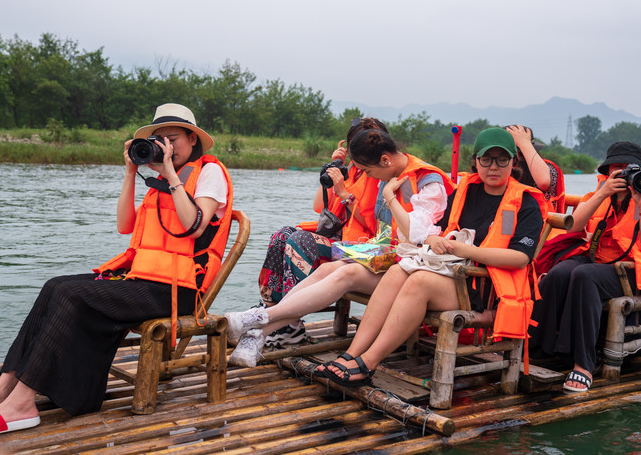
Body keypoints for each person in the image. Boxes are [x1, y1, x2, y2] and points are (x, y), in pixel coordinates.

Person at [0, 103, 232, 434]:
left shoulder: (210, 173)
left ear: (192, 139)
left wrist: (171, 175)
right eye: (158, 139)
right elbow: (124, 226)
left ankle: (22, 403)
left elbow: (192, 226)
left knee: (71, 294)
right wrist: (131, 171)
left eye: (172, 138)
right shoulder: (159, 179)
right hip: (143, 279)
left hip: (179, 290)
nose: (165, 146)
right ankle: (0, 394)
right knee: (55, 286)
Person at [319, 127, 546, 386]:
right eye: (486, 159)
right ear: (475, 161)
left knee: (418, 282)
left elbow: (520, 258)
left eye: (501, 159)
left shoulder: (525, 203)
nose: (493, 167)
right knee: (397, 270)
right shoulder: (464, 192)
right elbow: (433, 230)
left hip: (487, 288)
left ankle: (368, 363)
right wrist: (433, 240)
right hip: (451, 272)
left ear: (514, 162)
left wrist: (464, 250)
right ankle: (352, 353)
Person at [224, 128, 456, 367]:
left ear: (385, 160)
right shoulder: (389, 175)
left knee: (346, 273)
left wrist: (389, 197)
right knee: (327, 270)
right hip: (390, 258)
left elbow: (418, 232)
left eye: (368, 171)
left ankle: (258, 318)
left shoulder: (428, 181)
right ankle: (258, 332)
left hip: (414, 267)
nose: (370, 177)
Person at [528, 141, 641, 393]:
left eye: (628, 168)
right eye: (615, 168)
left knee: (585, 276)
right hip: (596, 260)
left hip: (631, 270)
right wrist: (602, 194)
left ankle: (584, 363)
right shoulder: (600, 192)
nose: (623, 174)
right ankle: (537, 349)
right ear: (607, 172)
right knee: (559, 273)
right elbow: (573, 226)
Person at [257, 118, 384, 347]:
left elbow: (376, 225)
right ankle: (271, 307)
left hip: (364, 245)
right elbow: (319, 206)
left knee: (301, 241)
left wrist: (345, 194)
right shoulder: (351, 171)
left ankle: (290, 323)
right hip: (339, 239)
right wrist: (334, 166)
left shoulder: (379, 175)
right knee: (282, 235)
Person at [504, 125, 565, 213]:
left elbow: (543, 182)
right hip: (507, 214)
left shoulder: (547, 167)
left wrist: (524, 144)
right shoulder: (498, 167)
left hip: (535, 220)